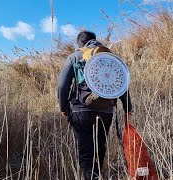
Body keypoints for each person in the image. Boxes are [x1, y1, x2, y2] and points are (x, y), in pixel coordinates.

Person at [57, 31, 133, 180]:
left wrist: (63, 107)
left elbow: (62, 85)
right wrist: (127, 108)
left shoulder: (75, 56)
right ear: (94, 40)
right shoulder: (110, 57)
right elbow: (121, 84)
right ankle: (97, 175)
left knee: (86, 153)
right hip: (106, 111)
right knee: (100, 147)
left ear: (80, 43)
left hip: (82, 110)